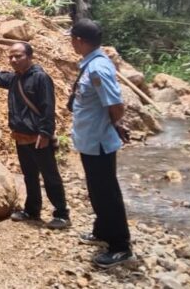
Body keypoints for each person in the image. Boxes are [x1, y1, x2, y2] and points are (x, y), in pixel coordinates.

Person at [68, 18, 134, 269]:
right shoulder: (92, 63)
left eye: (72, 38)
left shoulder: (97, 69)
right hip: (90, 141)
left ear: (79, 41)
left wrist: (112, 125)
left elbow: (116, 106)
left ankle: (120, 246)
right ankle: (103, 231)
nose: (71, 42)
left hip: (99, 142)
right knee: (97, 190)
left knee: (107, 193)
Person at [0, 43, 70, 230]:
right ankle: (32, 210)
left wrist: (45, 133)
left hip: (38, 137)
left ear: (29, 56)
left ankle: (61, 214)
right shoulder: (15, 79)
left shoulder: (40, 78)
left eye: (18, 56)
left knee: (50, 175)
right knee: (29, 175)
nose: (14, 60)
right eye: (11, 57)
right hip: (21, 137)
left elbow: (48, 107)